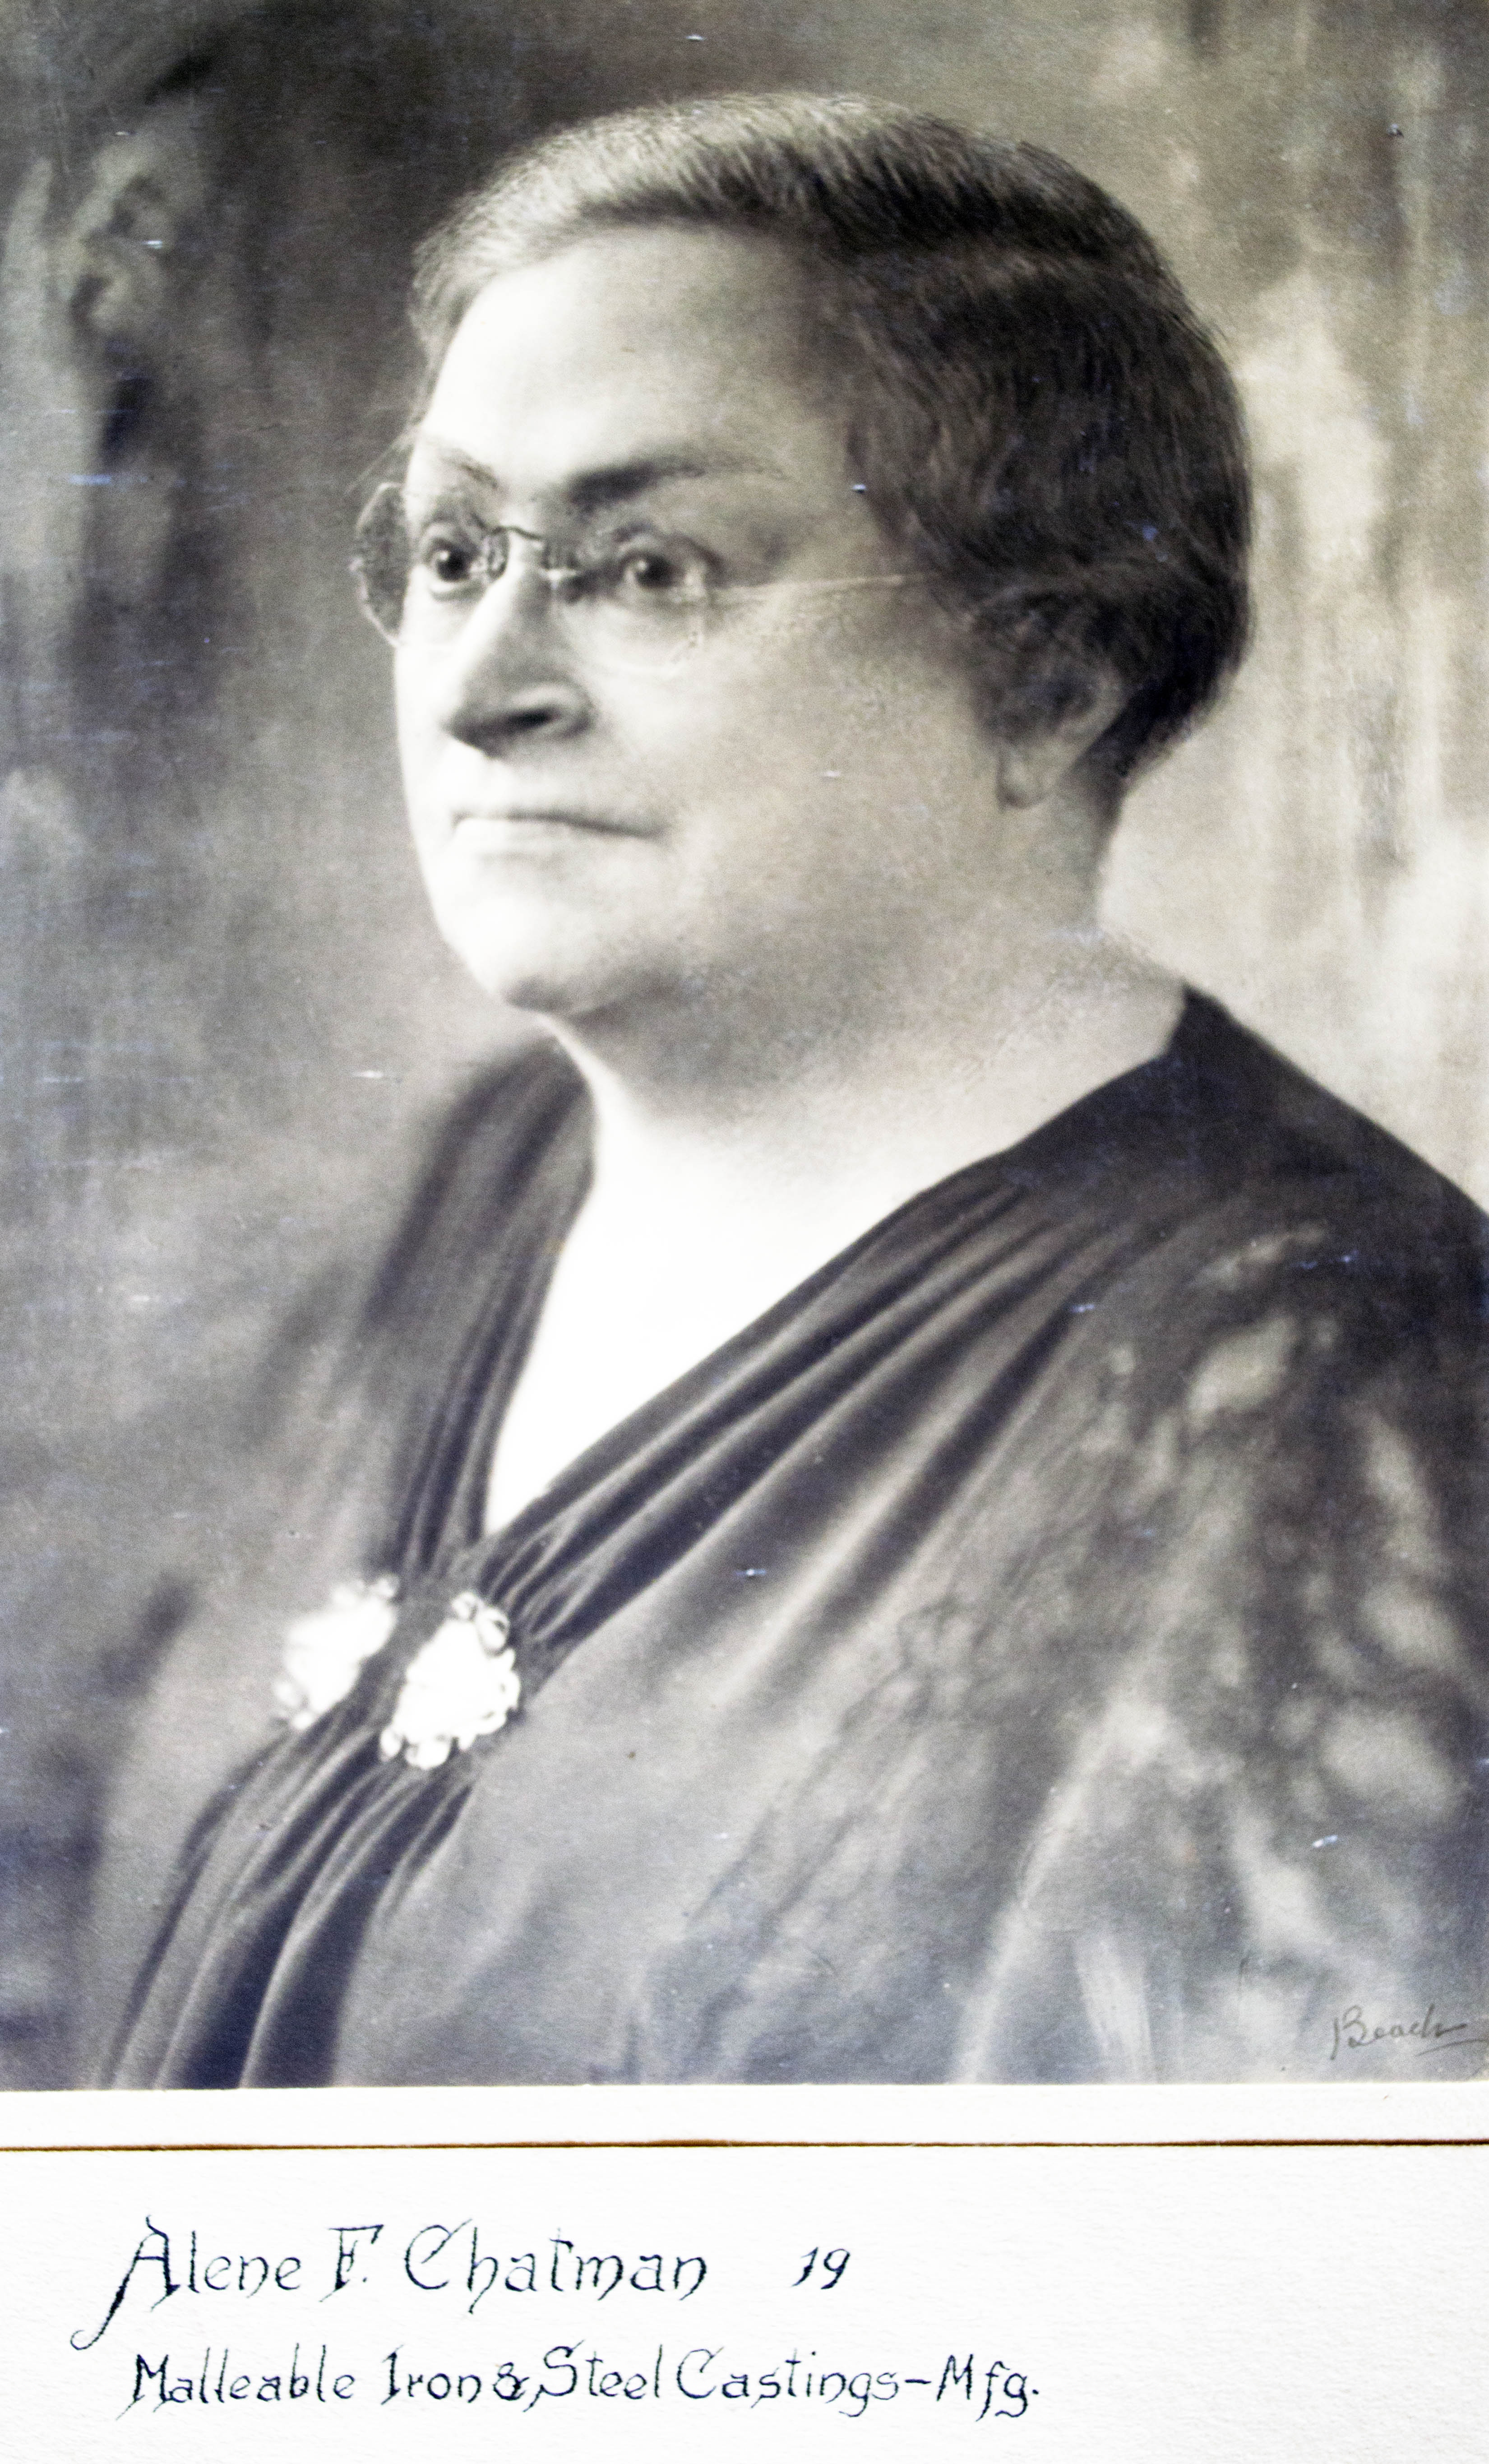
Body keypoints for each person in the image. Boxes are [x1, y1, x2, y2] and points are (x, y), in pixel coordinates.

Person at [96, 93, 1489, 2086]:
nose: (480, 689)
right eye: (456, 551)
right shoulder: (478, 1182)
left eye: (650, 568)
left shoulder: (1341, 1397)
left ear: (1047, 680)